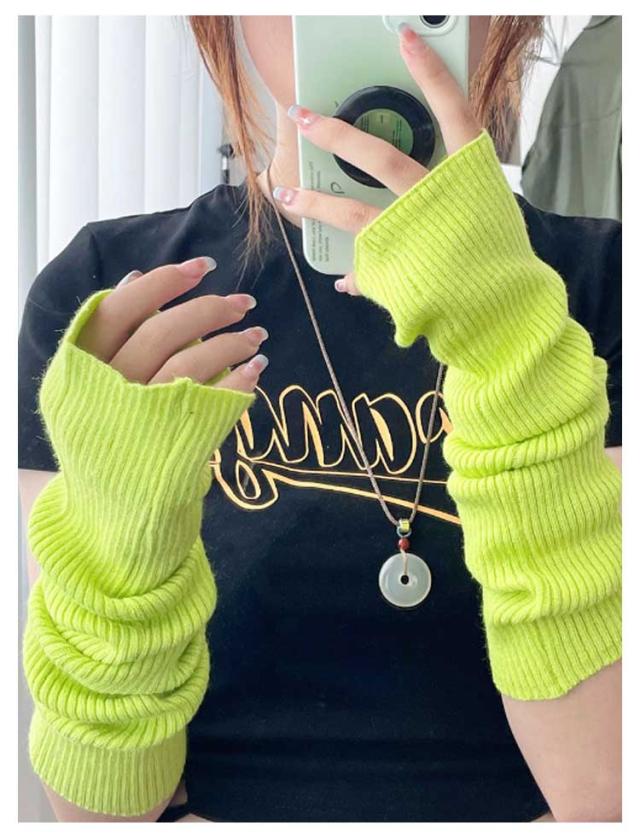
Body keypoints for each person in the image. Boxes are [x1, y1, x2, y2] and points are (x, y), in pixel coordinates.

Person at [18, 16, 622, 823]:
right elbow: (102, 816)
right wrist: (118, 536)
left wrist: (514, 349)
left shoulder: (606, 284)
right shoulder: (116, 297)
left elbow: (605, 799)